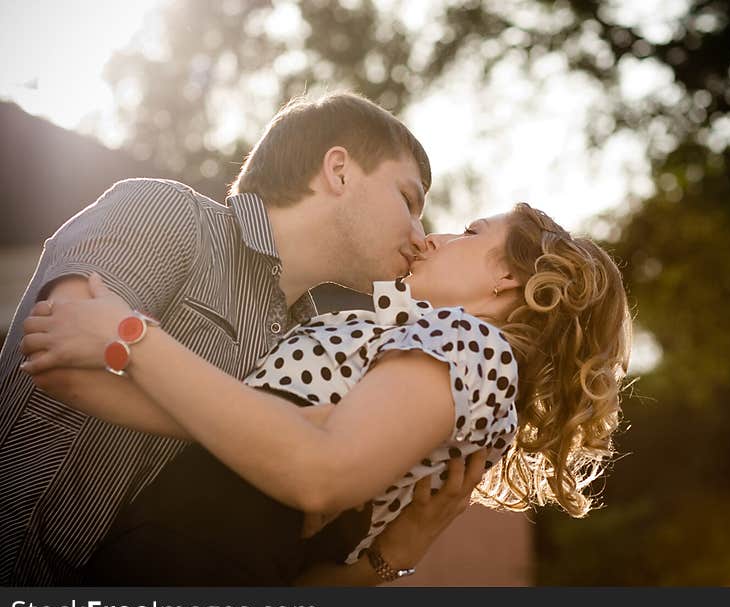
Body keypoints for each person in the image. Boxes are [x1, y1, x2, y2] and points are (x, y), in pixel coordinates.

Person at [0, 90, 480, 586]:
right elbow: (57, 356)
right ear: (339, 170)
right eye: (408, 200)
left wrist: (389, 554)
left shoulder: (314, 344)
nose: (422, 235)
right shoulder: (167, 214)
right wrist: (282, 432)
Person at [20, 202, 633, 585]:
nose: (437, 236)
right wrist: (91, 360)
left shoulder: (469, 342)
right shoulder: (417, 346)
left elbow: (318, 475)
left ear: (508, 276)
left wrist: (131, 337)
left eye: (469, 231)